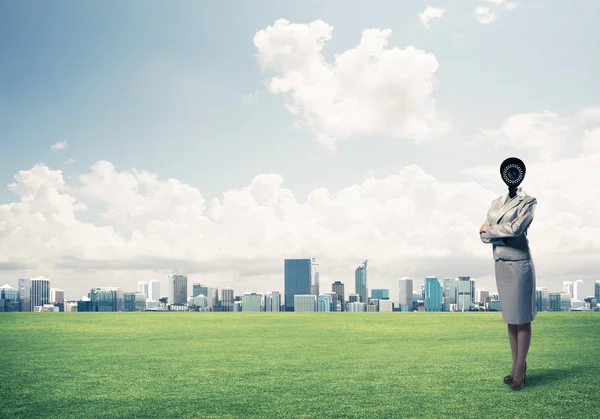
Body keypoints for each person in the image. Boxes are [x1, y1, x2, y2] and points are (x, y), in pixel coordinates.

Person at [479, 157, 537, 391]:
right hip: (501, 263)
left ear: (521, 175)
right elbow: (482, 235)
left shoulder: (529, 201)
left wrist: (492, 230)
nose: (512, 175)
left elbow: (517, 228)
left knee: (521, 318)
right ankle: (515, 367)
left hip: (519, 264)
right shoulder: (495, 203)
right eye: (508, 171)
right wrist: (499, 231)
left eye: (516, 172)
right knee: (510, 319)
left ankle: (520, 370)